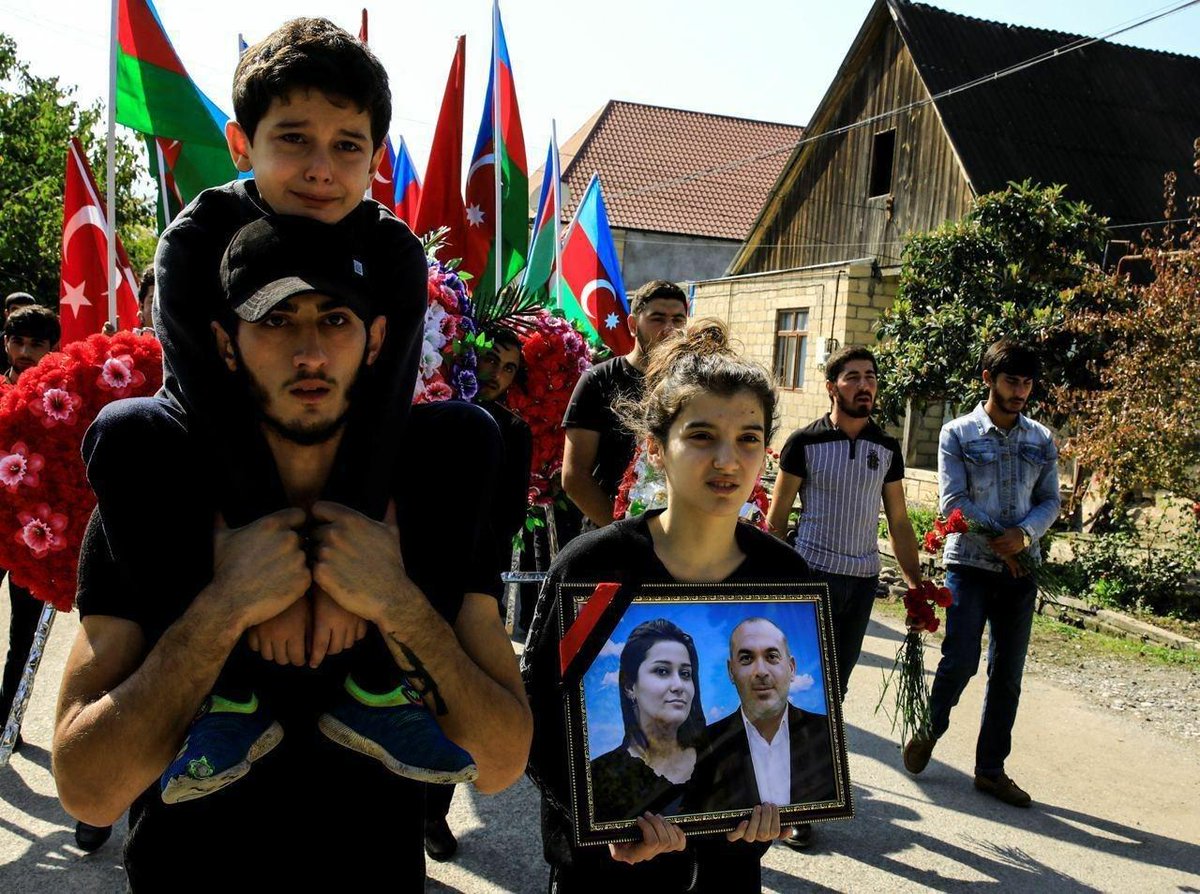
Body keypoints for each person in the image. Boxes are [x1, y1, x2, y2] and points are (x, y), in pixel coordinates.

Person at [52, 215, 531, 888]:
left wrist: (394, 601)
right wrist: (225, 607)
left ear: (377, 341)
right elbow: (87, 790)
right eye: (275, 321)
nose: (309, 351)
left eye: (336, 320)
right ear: (225, 343)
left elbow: (503, 759)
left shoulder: (426, 498)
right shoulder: (160, 490)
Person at [525, 318, 815, 893]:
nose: (728, 461)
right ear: (656, 448)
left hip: (729, 866)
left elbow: (798, 734)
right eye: (702, 436)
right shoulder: (595, 569)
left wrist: (787, 807)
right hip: (605, 869)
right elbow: (536, 711)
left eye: (749, 439)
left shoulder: (782, 577)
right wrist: (600, 820)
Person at [903, 340, 1060, 809]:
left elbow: (1050, 500)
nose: (1020, 391)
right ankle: (931, 726)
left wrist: (1024, 537)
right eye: (1011, 381)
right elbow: (953, 503)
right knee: (961, 659)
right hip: (969, 566)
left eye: (1027, 383)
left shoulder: (1041, 439)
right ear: (988, 379)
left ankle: (991, 770)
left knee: (1007, 674)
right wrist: (1002, 538)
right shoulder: (957, 432)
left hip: (1021, 571)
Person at [424, 324, 532, 862]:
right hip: (410, 568)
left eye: (510, 369)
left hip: (472, 576)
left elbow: (511, 513)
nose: (496, 376)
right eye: (489, 361)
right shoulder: (420, 411)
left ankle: (432, 812)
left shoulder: (512, 430)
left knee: (454, 694)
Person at [767, 346, 923, 700]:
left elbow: (899, 521)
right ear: (831, 387)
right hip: (812, 575)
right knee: (799, 679)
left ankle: (824, 753)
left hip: (863, 583)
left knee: (837, 685)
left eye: (870, 377)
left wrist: (915, 585)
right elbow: (776, 519)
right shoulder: (805, 442)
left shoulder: (886, 447)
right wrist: (769, 583)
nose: (863, 385)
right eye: (852, 377)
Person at [562, 280, 688, 528]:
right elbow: (574, 477)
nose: (669, 329)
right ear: (633, 325)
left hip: (680, 537)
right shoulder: (599, 380)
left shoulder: (693, 383)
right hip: (610, 536)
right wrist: (624, 532)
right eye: (658, 319)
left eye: (678, 320)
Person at [695, 618, 835, 814]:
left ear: (792, 668)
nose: (760, 671)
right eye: (746, 658)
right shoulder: (704, 747)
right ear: (731, 671)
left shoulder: (828, 734)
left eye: (771, 657)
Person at [590, 619, 706, 823]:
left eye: (686, 674)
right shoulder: (598, 777)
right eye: (662, 671)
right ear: (629, 686)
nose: (679, 685)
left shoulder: (722, 757)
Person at [3, 304, 58, 384]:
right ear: (6, 342)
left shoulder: (66, 393)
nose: (25, 353)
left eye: (36, 344)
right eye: (18, 342)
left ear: (53, 348)